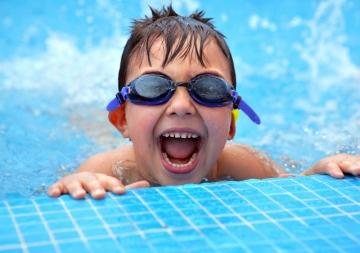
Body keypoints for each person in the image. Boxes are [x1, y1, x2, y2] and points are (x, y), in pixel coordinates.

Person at [48, 5, 360, 199]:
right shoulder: (107, 169)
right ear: (122, 120)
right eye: (154, 86)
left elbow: (288, 188)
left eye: (208, 88)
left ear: (231, 125)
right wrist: (78, 183)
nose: (181, 105)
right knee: (86, 128)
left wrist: (318, 173)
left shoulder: (243, 163)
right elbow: (53, 198)